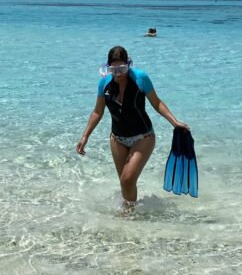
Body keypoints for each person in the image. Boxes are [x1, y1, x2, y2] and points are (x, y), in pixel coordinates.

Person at [76, 45, 189, 211]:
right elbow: (97, 112)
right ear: (107, 68)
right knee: (124, 182)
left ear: (128, 65)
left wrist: (175, 122)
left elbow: (157, 103)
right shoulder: (104, 83)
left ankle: (128, 215)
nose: (118, 73)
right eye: (113, 69)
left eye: (122, 68)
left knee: (127, 180)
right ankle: (131, 212)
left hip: (143, 137)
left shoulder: (140, 78)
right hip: (117, 139)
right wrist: (85, 136)